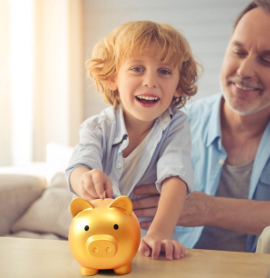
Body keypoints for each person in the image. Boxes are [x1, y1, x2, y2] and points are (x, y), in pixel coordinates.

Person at [132, 0, 270, 253]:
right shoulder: (169, 127)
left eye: (267, 60)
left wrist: (208, 209)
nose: (244, 70)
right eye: (238, 52)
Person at [66, 21, 201, 260]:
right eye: (137, 69)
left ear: (178, 86)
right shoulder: (97, 127)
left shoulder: (176, 126)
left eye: (164, 71)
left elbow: (175, 178)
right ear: (112, 78)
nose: (150, 81)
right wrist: (86, 178)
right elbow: (78, 166)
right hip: (97, 241)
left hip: (152, 246)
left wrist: (159, 234)